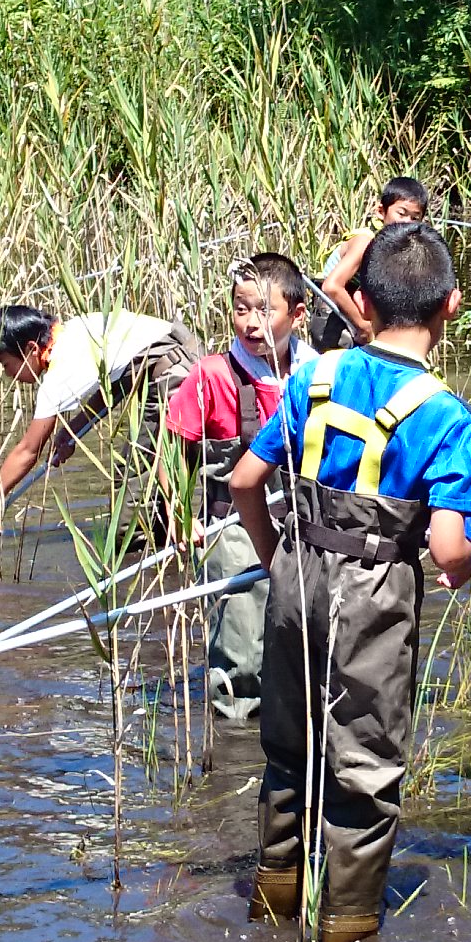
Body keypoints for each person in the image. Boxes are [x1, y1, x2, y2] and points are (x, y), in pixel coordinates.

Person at [229, 222, 471, 942]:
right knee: (364, 771)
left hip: (295, 575)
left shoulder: (315, 374)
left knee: (287, 752)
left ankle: (272, 913)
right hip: (373, 592)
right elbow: (446, 547)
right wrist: (463, 567)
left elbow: (246, 480)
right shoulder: (443, 413)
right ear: (453, 305)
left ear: (363, 301)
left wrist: (279, 553)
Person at [162, 254, 317, 731]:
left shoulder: (320, 373)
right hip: (232, 529)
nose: (251, 323)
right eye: (240, 309)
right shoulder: (213, 375)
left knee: (306, 641)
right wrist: (178, 517)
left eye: (264, 311)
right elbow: (173, 452)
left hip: (304, 523)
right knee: (242, 650)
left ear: (298, 314)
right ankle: (236, 746)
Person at [0, 304, 198, 547]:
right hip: (187, 358)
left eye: (5, 364)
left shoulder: (59, 372)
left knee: (128, 519)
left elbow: (28, 451)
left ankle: (142, 566)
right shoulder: (74, 330)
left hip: (173, 379)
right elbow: (116, 381)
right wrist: (72, 431)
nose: (7, 374)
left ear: (31, 349)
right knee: (152, 491)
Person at [313, 176, 432, 349]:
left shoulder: (397, 247)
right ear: (380, 211)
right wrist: (363, 325)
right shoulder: (365, 241)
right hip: (333, 313)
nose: (407, 222)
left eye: (415, 218)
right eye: (401, 213)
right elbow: (332, 286)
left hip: (359, 309)